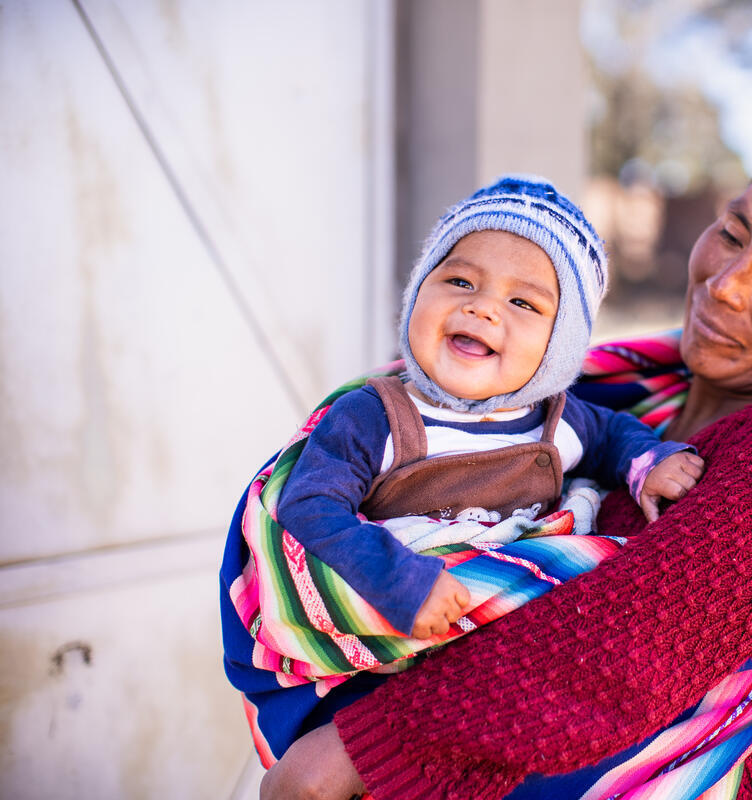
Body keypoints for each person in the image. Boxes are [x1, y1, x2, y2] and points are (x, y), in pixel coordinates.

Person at [257, 124, 752, 800]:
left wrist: (362, 750)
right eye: (732, 231)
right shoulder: (594, 399)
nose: (725, 282)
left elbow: (630, 645)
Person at [221, 175, 704, 765]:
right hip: (387, 657)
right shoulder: (378, 416)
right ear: (418, 293)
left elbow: (615, 437)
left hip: (495, 674)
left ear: (562, 345)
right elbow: (308, 507)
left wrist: (649, 463)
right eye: (459, 281)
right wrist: (400, 581)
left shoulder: (561, 422)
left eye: (523, 302)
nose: (481, 307)